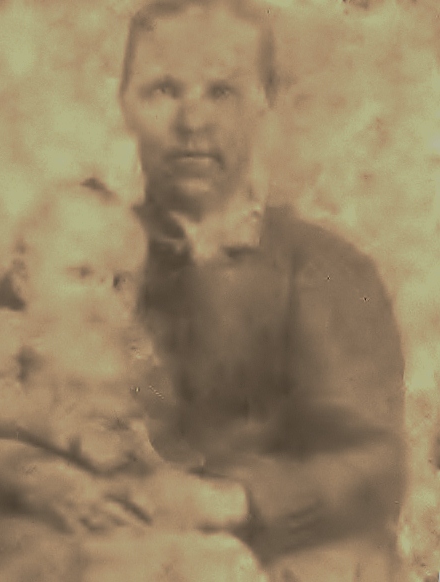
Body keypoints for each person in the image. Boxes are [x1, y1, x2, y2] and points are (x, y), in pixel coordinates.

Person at [119, 0, 406, 579]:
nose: (193, 122)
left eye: (221, 92)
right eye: (164, 90)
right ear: (124, 102)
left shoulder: (322, 267)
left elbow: (375, 466)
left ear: (265, 104)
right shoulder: (74, 252)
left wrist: (235, 501)